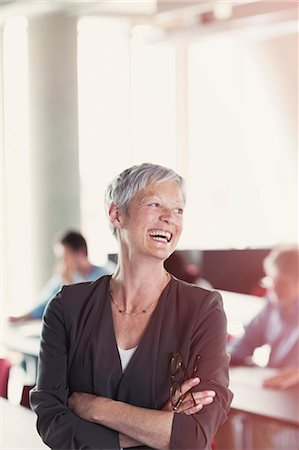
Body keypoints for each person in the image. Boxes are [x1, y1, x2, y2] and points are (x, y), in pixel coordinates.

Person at [30, 163, 233, 450]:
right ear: (116, 214)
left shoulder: (203, 309)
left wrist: (95, 408)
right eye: (155, 204)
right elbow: (51, 422)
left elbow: (193, 435)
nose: (169, 219)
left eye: (178, 210)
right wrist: (156, 426)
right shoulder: (67, 307)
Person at [8, 230, 115, 323]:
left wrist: (68, 284)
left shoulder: (105, 276)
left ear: (80, 253)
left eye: (64, 256)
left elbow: (82, 314)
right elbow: (46, 301)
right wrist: (24, 317)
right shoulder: (65, 277)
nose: (61, 262)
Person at [228, 245, 299, 377]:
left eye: (283, 283)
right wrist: (222, 358)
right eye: (273, 279)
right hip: (274, 382)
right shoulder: (272, 305)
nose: (275, 288)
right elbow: (246, 342)